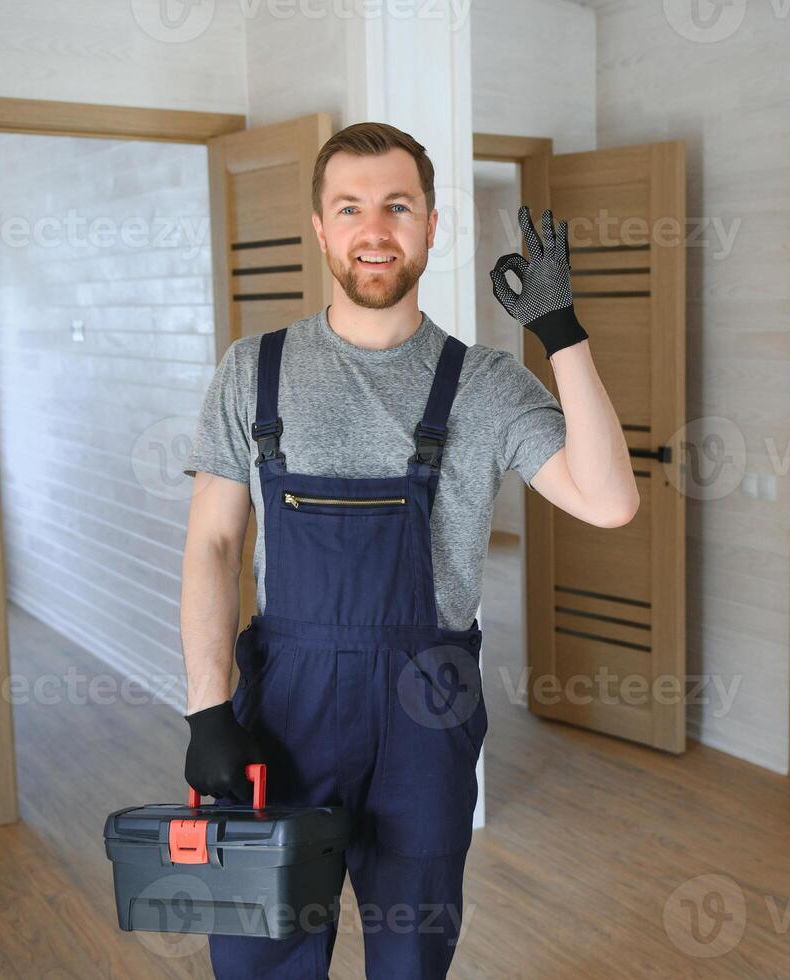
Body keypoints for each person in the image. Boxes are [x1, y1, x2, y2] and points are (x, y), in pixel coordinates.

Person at [179, 121, 638, 978]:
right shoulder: (254, 371)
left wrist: (562, 332)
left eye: (398, 205)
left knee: (411, 955)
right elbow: (211, 543)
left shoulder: (488, 383)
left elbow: (610, 502)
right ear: (320, 228)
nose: (374, 229)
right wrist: (208, 708)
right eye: (349, 207)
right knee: (258, 953)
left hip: (426, 711)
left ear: (431, 225)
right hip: (286, 709)